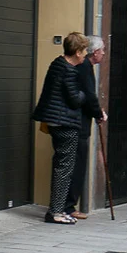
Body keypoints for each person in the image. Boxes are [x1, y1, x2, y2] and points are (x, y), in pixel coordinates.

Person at [33, 32, 88, 225]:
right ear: (77, 52)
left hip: (54, 121)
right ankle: (56, 211)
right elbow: (75, 99)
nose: (85, 54)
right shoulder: (69, 71)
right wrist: (84, 94)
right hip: (65, 123)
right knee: (64, 168)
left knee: (61, 165)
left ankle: (57, 209)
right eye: (84, 50)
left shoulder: (57, 64)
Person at [64, 35, 107, 219]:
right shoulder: (84, 68)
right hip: (77, 123)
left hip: (76, 122)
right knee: (75, 164)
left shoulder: (83, 67)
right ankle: (68, 206)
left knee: (72, 164)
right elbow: (89, 96)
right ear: (94, 52)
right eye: (102, 50)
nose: (103, 53)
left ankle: (66, 205)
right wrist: (98, 113)